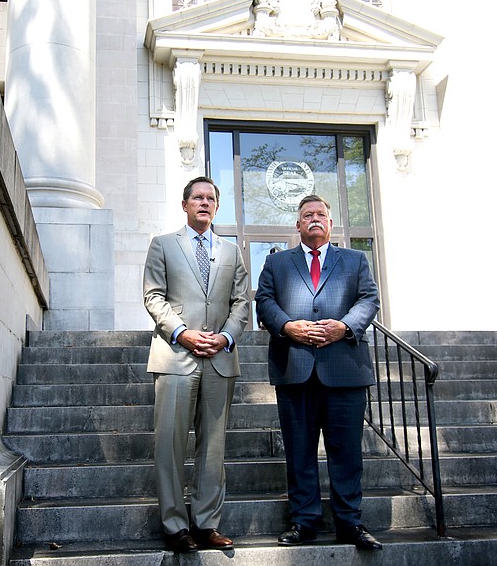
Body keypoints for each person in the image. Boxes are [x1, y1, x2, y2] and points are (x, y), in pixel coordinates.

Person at [255, 194, 382, 550]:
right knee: (299, 451)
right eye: (307, 215)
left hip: (344, 370)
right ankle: (304, 521)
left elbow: (369, 299)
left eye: (320, 214)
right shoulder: (277, 263)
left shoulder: (355, 260)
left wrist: (344, 327)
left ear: (330, 223)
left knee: (347, 453)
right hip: (294, 369)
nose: (314, 219)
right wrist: (287, 327)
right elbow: (264, 301)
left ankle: (350, 523)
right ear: (297, 225)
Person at [143, 176, 250, 553]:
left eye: (210, 198)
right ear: (185, 204)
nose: (204, 203)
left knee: (213, 448)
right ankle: (175, 526)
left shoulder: (232, 251)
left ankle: (206, 525)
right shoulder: (163, 246)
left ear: (216, 207)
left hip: (220, 359)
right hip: (175, 357)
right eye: (198, 197)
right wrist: (182, 332)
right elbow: (153, 296)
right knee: (170, 445)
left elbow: (242, 303)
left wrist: (226, 337)